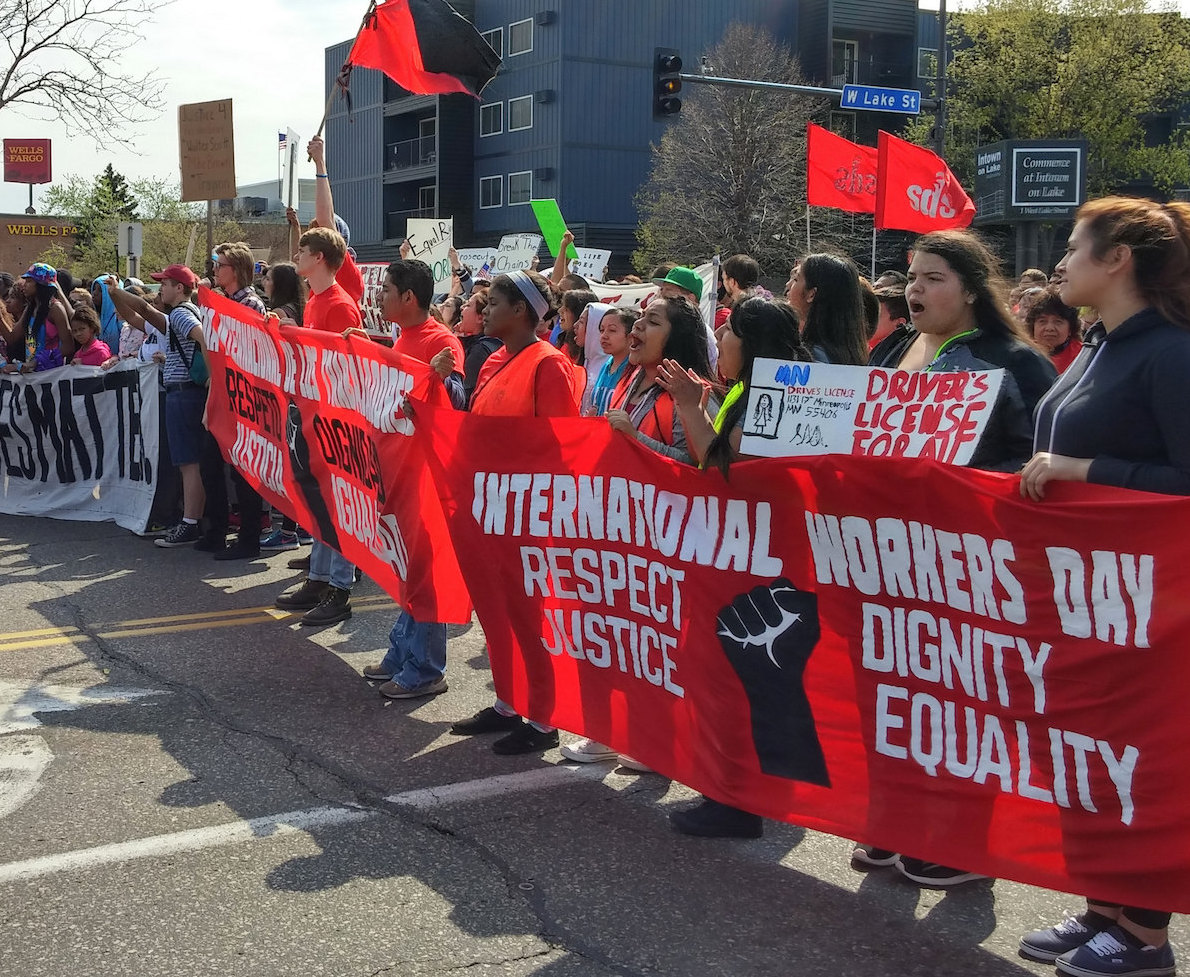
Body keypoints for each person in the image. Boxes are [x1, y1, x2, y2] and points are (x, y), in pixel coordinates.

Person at [1017, 196, 1190, 977]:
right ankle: (1102, 907)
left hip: (1149, 608)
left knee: (1142, 762)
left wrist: (1085, 472)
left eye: (1075, 247)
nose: (1060, 263)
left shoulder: (1172, 353)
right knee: (1089, 753)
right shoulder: (1098, 345)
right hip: (1080, 598)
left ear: (1119, 259)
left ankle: (1146, 934)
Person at [651, 298, 812, 838]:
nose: (721, 343)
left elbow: (721, 468)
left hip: (753, 563)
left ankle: (736, 799)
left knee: (736, 679)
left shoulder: (773, 395)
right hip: (741, 553)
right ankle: (738, 789)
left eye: (729, 335)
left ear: (752, 343)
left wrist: (691, 407)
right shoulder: (750, 389)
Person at [560, 294, 718, 769]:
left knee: (656, 644)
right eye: (640, 319)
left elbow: (692, 467)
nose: (637, 329)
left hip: (662, 540)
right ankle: (609, 731)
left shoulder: (689, 391)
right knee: (614, 638)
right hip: (617, 531)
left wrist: (633, 438)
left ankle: (656, 740)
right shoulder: (628, 378)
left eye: (652, 322)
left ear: (676, 338)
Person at [450, 270, 582, 755]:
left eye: (494, 302)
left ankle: (544, 720)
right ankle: (507, 703)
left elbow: (561, 447)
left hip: (527, 515)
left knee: (531, 617)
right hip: (489, 509)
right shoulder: (492, 361)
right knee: (496, 611)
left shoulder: (548, 365)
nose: (484, 309)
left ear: (522, 311)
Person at [359, 259, 466, 702]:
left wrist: (439, 375)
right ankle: (403, 651)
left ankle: (426, 667)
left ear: (408, 297)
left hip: (425, 475)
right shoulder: (404, 336)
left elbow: (458, 399)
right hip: (398, 470)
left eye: (386, 289)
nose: (379, 296)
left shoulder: (441, 341)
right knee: (406, 565)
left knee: (424, 570)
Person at [870, 230, 1057, 474]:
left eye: (933, 278)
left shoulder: (1017, 362)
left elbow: (1042, 458)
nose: (915, 288)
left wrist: (961, 480)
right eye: (911, 277)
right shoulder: (893, 346)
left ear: (971, 291)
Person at [273, 226, 363, 627]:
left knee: (335, 503)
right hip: (309, 409)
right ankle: (319, 577)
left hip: (331, 415)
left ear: (321, 258)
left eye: (304, 248)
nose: (297, 253)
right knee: (317, 499)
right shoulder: (315, 301)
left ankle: (339, 586)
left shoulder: (340, 305)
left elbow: (345, 367)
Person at [107, 265, 208, 548]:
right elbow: (136, 314)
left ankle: (190, 523)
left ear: (181, 288)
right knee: (188, 462)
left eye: (166, 283)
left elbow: (203, 338)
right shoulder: (177, 315)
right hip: (182, 393)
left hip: (184, 393)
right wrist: (116, 294)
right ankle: (192, 520)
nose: (160, 288)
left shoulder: (181, 312)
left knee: (189, 463)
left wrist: (211, 375)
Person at [207, 241, 268, 561]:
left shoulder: (250, 304)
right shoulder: (227, 301)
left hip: (247, 397)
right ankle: (237, 534)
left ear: (238, 270)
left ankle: (250, 539)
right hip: (230, 394)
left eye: (221, 266)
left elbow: (252, 351)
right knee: (232, 469)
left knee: (246, 472)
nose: (215, 270)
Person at [258, 261, 309, 552]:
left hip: (288, 395)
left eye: (269, 278)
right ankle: (299, 527)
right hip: (299, 392)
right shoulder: (301, 308)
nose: (264, 282)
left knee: (291, 465)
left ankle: (289, 530)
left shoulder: (279, 313)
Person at [786, 254, 869, 365]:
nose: (788, 284)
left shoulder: (811, 359)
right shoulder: (848, 352)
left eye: (796, 279)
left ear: (812, 294)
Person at [651, 265, 718, 369]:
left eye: (669, 293)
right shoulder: (665, 327)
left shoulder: (702, 335)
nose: (662, 295)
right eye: (662, 290)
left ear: (690, 298)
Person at [15, 263, 74, 369]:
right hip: (33, 375)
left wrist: (37, 361)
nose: (24, 285)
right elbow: (12, 337)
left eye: (29, 281)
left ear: (41, 284)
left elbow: (68, 346)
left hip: (51, 375)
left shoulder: (55, 309)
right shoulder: (30, 308)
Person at [585, 306, 634, 417]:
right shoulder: (606, 366)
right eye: (602, 330)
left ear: (631, 336)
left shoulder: (634, 370)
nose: (604, 336)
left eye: (612, 330)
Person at [457, 289, 501, 406]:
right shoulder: (493, 343)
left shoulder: (480, 350)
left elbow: (464, 396)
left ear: (480, 317)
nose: (462, 307)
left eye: (468, 305)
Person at [1026, 286, 1082, 373]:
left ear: (1070, 328)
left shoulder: (1083, 357)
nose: (1049, 328)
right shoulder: (1022, 354)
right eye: (1042, 321)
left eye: (1058, 322)